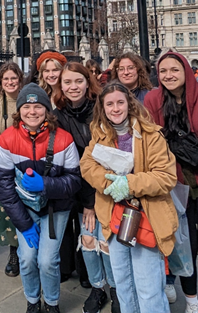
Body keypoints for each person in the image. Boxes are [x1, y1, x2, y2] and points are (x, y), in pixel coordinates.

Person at [144, 52, 198, 313]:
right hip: (175, 187)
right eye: (163, 71)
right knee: (186, 248)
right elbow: (150, 144)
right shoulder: (153, 100)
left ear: (186, 72)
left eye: (174, 70)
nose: (169, 75)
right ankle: (192, 300)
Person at [80, 82, 178, 313]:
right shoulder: (100, 134)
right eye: (110, 104)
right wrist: (110, 183)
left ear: (129, 104)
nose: (115, 109)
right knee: (124, 286)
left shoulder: (151, 135)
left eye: (120, 103)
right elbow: (87, 165)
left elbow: (165, 176)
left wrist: (130, 184)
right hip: (114, 219)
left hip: (146, 217)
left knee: (149, 288)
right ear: (102, 108)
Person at [0, 84, 81, 313]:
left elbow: (74, 181)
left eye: (38, 106)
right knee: (27, 258)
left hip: (56, 207)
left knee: (48, 261)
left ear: (47, 110)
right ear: (19, 110)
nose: (32, 111)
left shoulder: (63, 139)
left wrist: (46, 185)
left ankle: (51, 303)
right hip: (25, 208)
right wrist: (24, 224)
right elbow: (3, 186)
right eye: (27, 106)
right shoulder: (7, 139)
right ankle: (33, 300)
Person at [53, 63, 119, 313]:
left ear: (87, 81)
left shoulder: (101, 109)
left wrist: (96, 199)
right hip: (80, 189)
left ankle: (116, 288)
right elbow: (67, 162)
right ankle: (98, 287)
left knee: (107, 242)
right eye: (67, 82)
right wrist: (87, 203)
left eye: (78, 81)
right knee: (89, 240)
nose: (73, 87)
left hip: (108, 186)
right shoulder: (58, 116)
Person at [0, 61, 24, 277]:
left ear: (20, 79)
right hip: (3, 163)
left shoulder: (27, 97)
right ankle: (14, 251)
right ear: (0, 81)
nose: (10, 82)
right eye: (6, 78)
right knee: (8, 209)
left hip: (28, 162)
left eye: (14, 78)